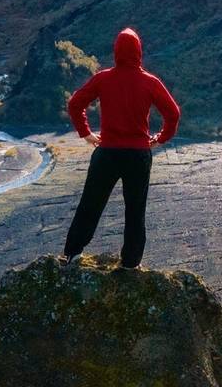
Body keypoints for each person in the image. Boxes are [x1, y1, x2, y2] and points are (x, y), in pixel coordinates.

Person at [60, 28, 181, 270]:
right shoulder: (150, 82)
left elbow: (75, 104)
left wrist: (86, 133)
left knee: (91, 204)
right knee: (135, 210)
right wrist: (159, 139)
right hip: (138, 155)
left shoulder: (104, 78)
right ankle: (130, 264)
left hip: (107, 154)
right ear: (139, 52)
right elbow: (173, 114)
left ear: (116, 52)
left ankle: (71, 254)